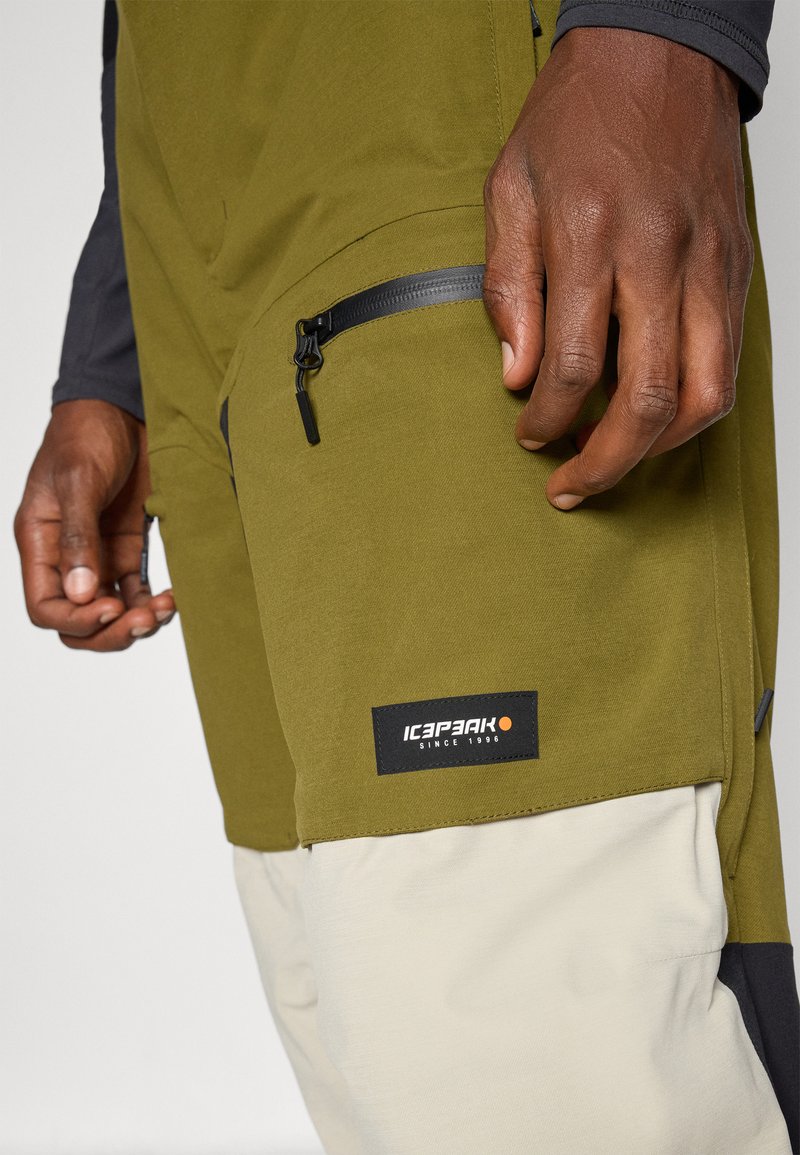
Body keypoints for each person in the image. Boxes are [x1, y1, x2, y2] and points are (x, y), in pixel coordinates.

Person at [14, 1, 798, 1151]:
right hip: (195, 261)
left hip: (446, 135)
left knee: (535, 1049)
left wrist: (659, 27)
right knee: (363, 1017)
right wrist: (112, 356)